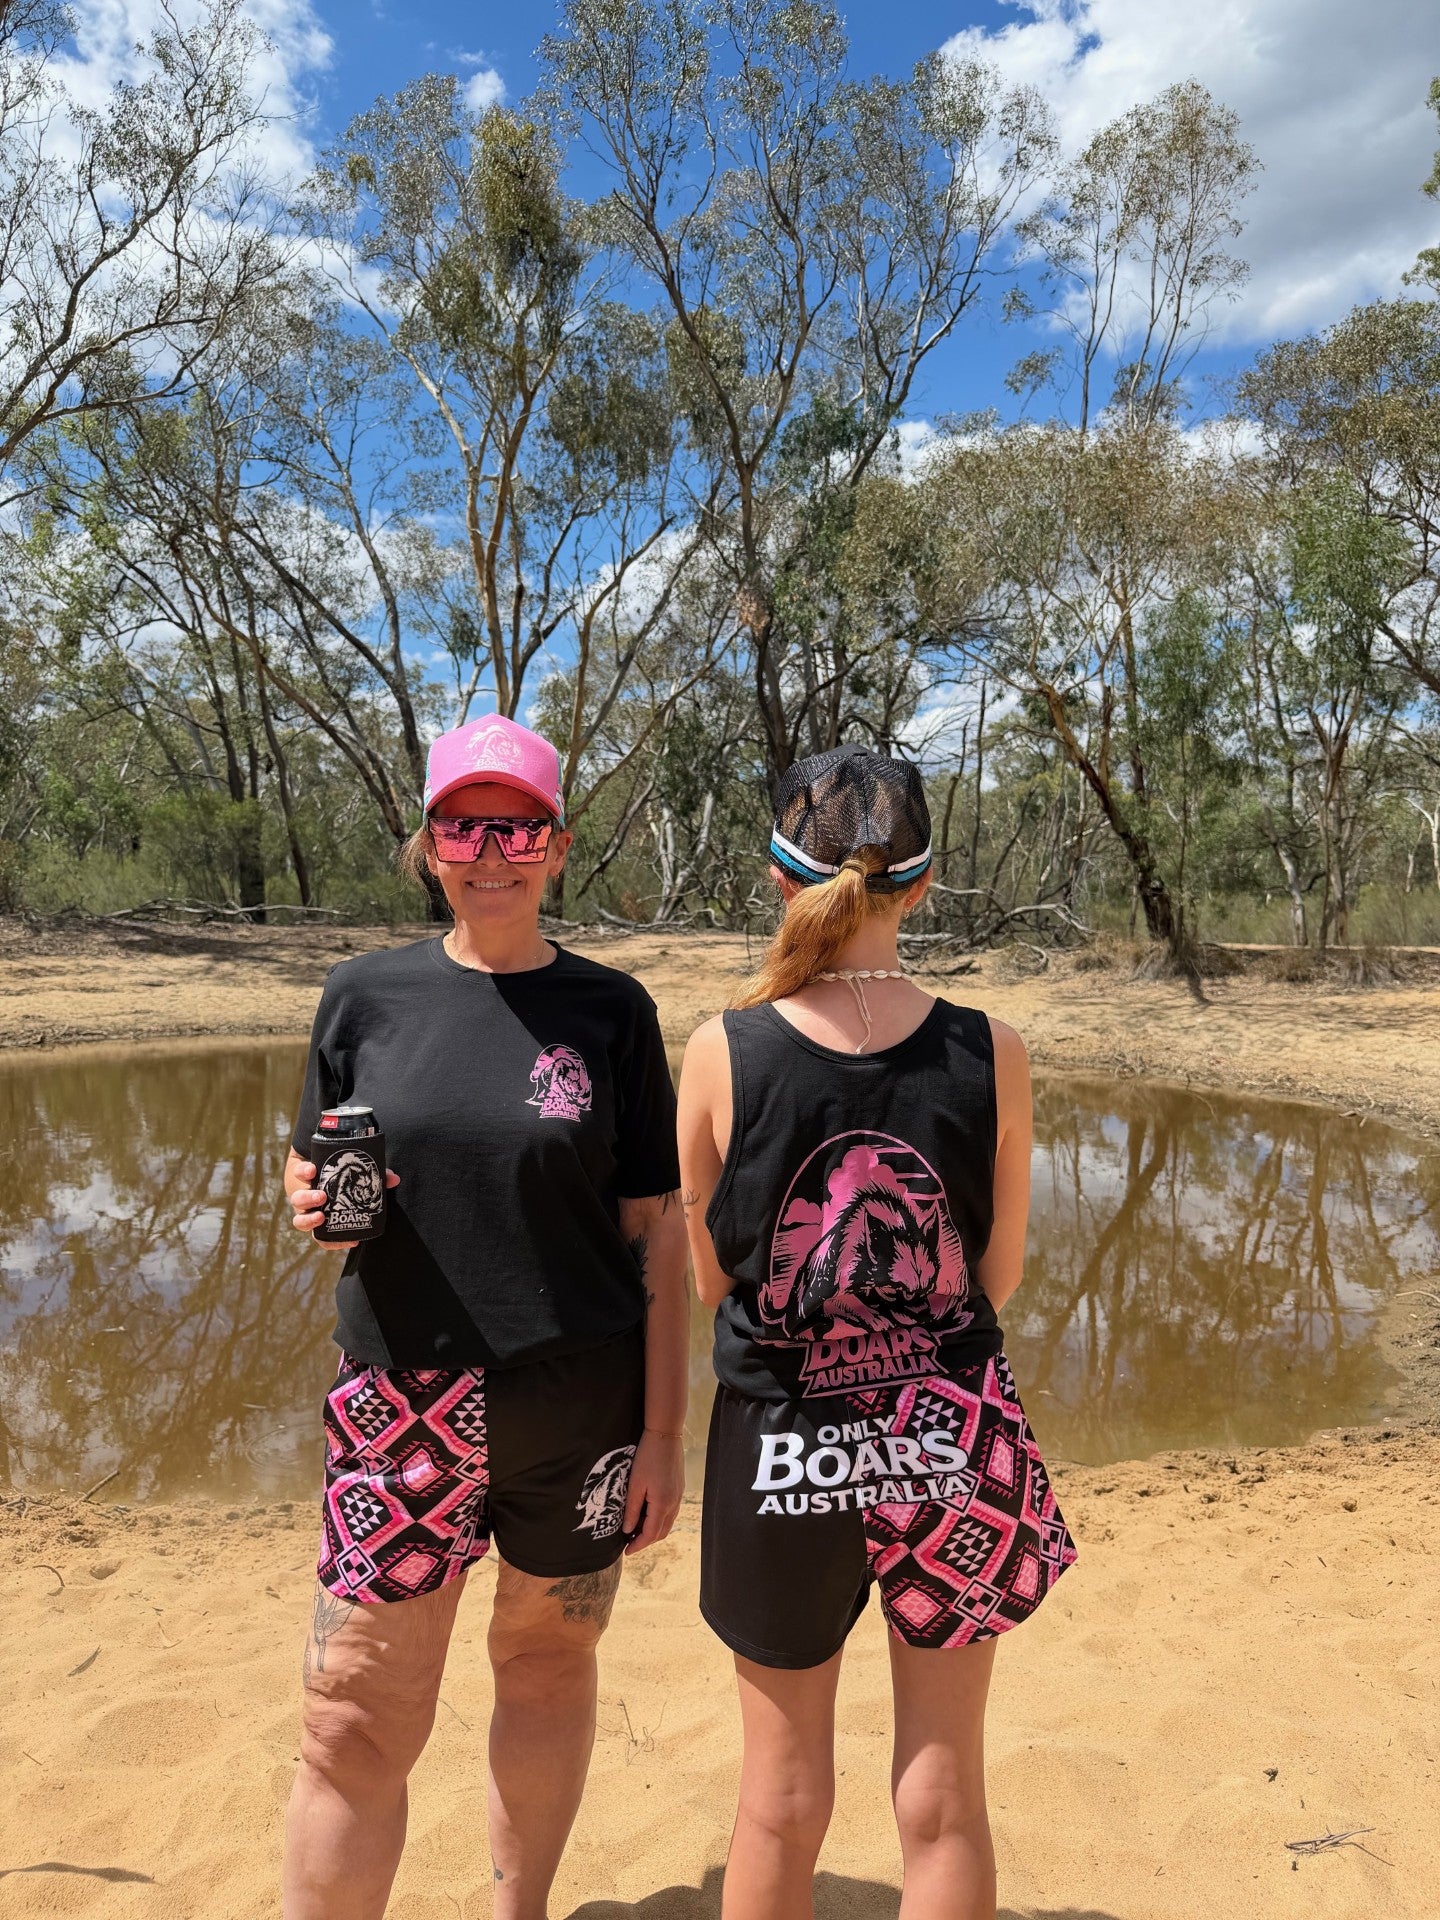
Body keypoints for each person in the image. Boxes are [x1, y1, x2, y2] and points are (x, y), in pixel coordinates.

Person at [280, 713, 688, 1920]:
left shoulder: (614, 1013)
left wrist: (666, 1436)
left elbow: (655, 1230)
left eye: (519, 826)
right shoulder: (362, 998)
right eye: (465, 824)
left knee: (549, 1664)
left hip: (581, 1402)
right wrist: (310, 1202)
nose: (491, 850)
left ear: (558, 847)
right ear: (429, 844)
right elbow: (316, 1171)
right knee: (353, 1711)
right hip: (399, 1400)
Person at [677, 744, 1076, 1920]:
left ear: (775, 877)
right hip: (952, 1438)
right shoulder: (990, 1049)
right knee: (944, 1792)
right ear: (926, 885)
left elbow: (713, 1283)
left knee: (781, 1796)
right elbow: (992, 1273)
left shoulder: (721, 1050)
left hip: (786, 1444)